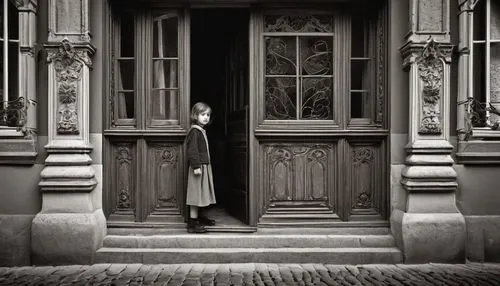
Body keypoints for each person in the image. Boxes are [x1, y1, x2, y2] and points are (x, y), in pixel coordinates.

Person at [185, 102, 217, 233]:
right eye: (202, 114)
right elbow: (192, 150)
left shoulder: (201, 131)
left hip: (204, 166)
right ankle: (192, 224)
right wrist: (196, 166)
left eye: (208, 115)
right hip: (198, 168)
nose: (206, 117)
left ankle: (199, 217)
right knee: (196, 195)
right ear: (195, 115)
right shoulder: (194, 132)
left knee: (202, 193)